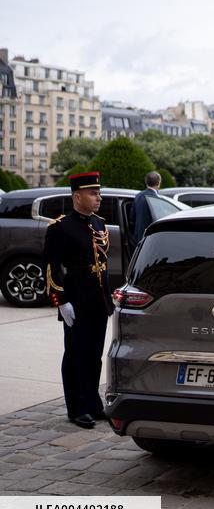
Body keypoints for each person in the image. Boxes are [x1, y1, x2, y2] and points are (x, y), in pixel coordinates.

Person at [43, 172, 113, 429]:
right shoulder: (60, 227)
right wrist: (60, 300)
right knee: (75, 355)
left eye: (98, 193)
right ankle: (76, 407)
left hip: (97, 302)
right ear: (77, 196)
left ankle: (93, 403)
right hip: (76, 302)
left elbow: (102, 266)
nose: (99, 198)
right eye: (93, 194)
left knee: (94, 355)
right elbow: (51, 266)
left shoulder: (99, 224)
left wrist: (108, 298)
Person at [131, 171, 162, 243]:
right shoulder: (157, 198)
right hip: (151, 237)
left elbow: (132, 218)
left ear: (146, 182)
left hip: (138, 235)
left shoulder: (138, 196)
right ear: (158, 182)